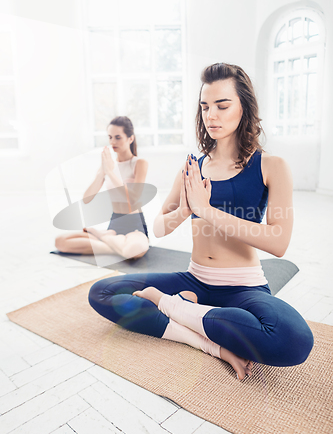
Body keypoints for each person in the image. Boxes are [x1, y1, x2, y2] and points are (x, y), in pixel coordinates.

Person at [88, 63, 314, 380]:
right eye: (205, 106)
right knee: (101, 292)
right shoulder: (192, 167)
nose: (211, 115)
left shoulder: (271, 166)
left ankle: (169, 305)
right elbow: (159, 227)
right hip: (194, 280)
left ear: (244, 107)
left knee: (295, 339)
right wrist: (186, 209)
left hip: (243, 287)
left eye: (222, 105)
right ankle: (208, 339)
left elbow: (278, 242)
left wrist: (207, 210)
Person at [55, 116, 149, 260]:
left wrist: (110, 172)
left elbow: (134, 199)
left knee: (134, 250)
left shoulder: (139, 163)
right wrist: (103, 172)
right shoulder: (107, 164)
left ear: (130, 139)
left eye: (118, 137)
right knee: (61, 242)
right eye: (110, 137)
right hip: (114, 225)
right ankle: (115, 245)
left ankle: (104, 238)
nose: (112, 142)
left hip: (134, 224)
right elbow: (86, 199)